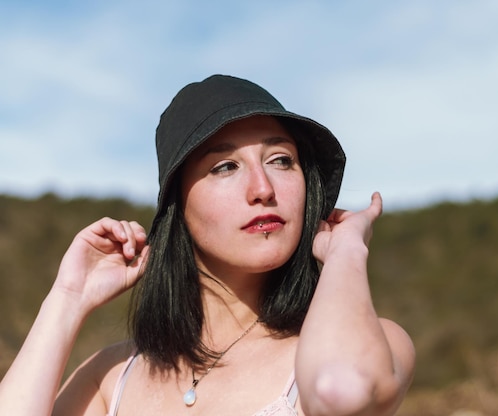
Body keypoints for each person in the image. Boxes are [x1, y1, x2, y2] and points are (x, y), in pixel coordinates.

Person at [0, 74, 415, 415]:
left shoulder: (371, 344)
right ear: (178, 207)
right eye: (225, 167)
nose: (262, 188)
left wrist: (345, 252)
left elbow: (340, 390)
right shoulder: (113, 375)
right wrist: (68, 299)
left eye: (281, 160)